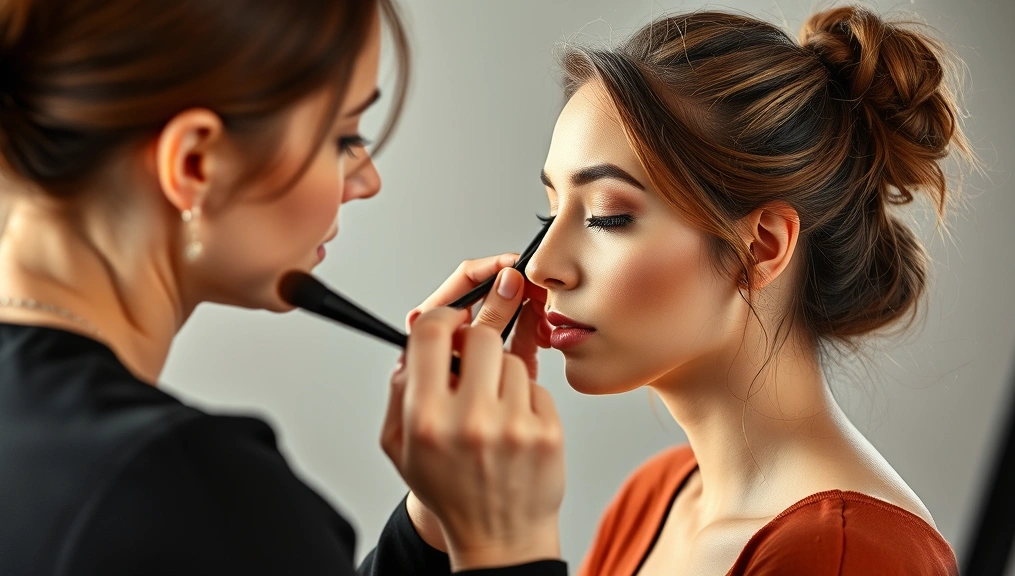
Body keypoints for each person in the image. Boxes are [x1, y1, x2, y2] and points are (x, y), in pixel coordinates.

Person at [405, 5, 976, 575]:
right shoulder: (656, 499)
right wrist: (437, 516)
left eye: (607, 216)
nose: (542, 267)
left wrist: (497, 542)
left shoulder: (849, 557)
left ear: (762, 247)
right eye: (549, 212)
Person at [0, 1, 566, 574]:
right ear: (196, 162)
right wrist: (505, 542)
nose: (366, 180)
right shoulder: (184, 492)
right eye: (344, 136)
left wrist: (436, 518)